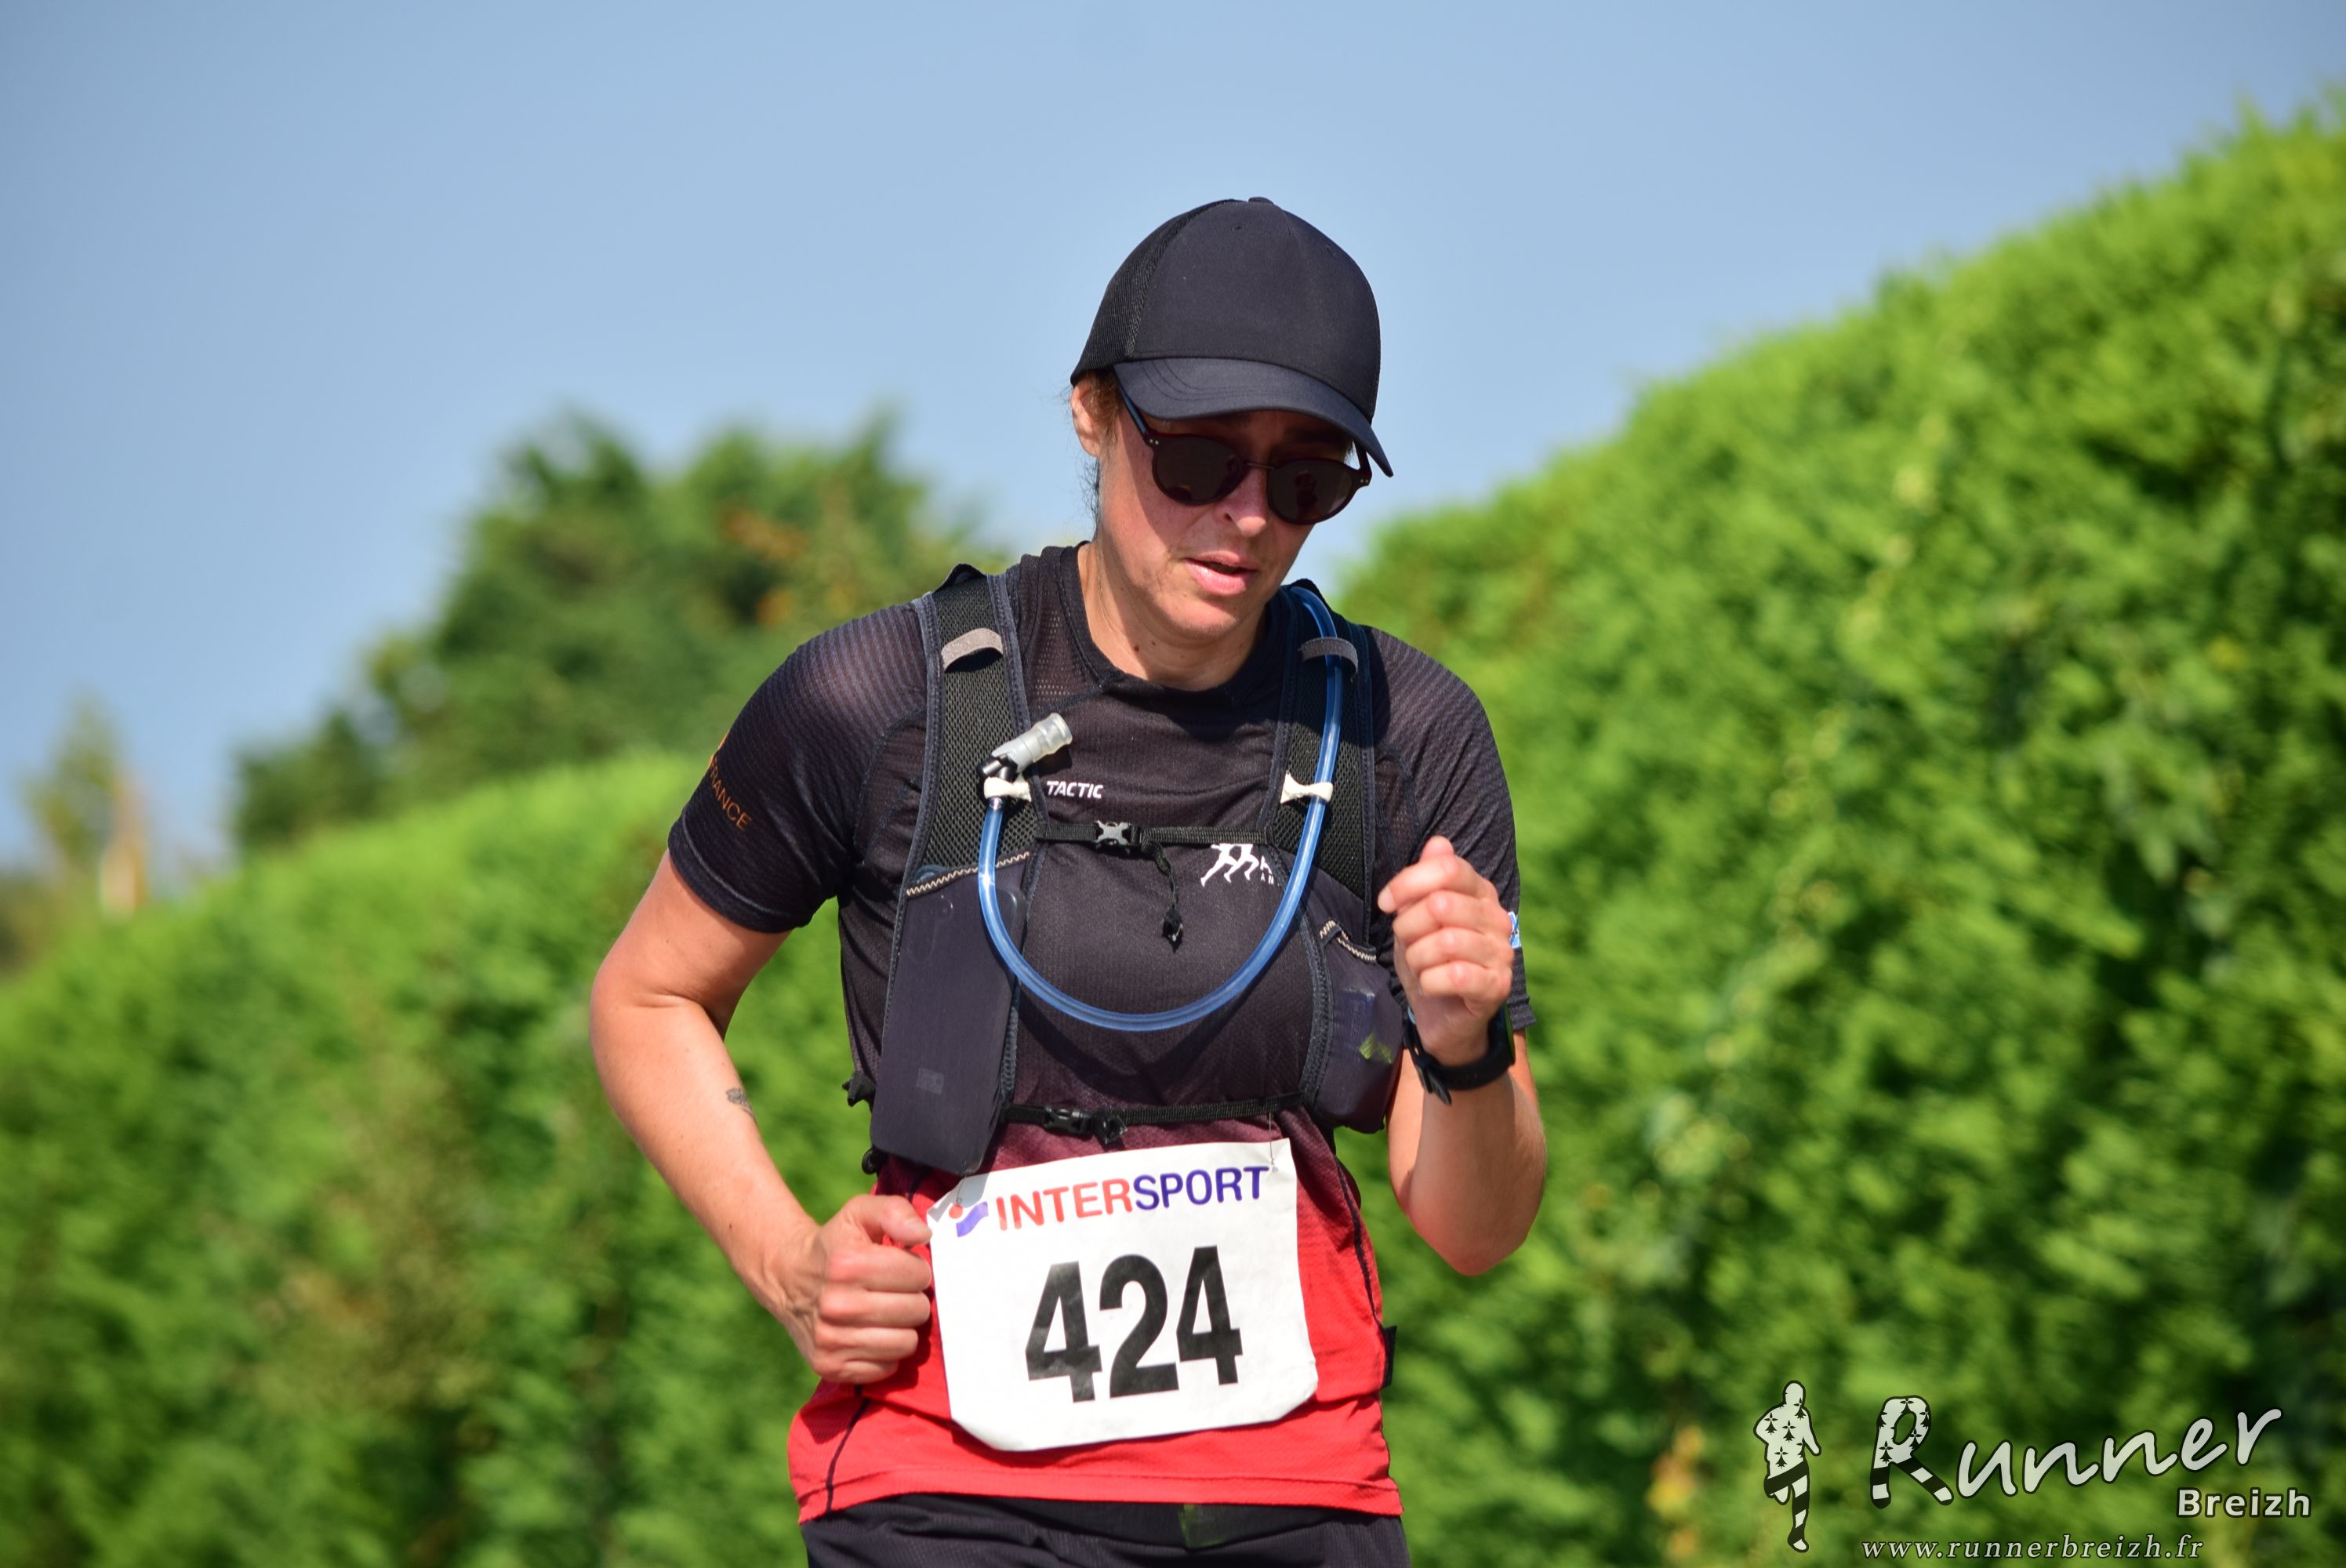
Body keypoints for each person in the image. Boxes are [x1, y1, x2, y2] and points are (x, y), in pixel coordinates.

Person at [591, 197, 1546, 1566]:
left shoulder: (1406, 731)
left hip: (1299, 1495)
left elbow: (1476, 1230)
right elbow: (649, 997)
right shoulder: (880, 699)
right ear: (1093, 414)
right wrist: (787, 1262)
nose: (1247, 518)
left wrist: (1465, 1049)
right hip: (945, 1495)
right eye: (1200, 457)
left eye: (1307, 480)